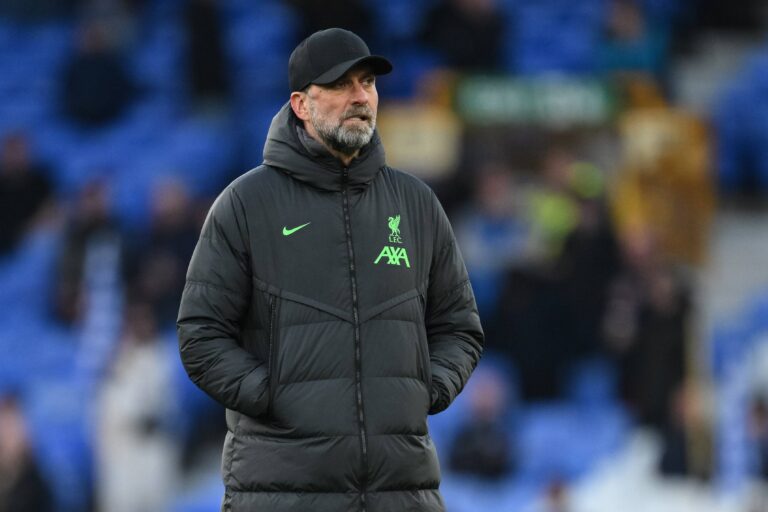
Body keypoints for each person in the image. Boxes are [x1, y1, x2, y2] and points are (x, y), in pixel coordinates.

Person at [177, 28, 484, 512]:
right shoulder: (246, 205)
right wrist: (272, 394)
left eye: (368, 83)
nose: (361, 97)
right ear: (301, 104)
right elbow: (200, 334)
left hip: (401, 494)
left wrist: (425, 388)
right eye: (342, 85)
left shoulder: (416, 203)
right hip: (283, 495)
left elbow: (459, 326)